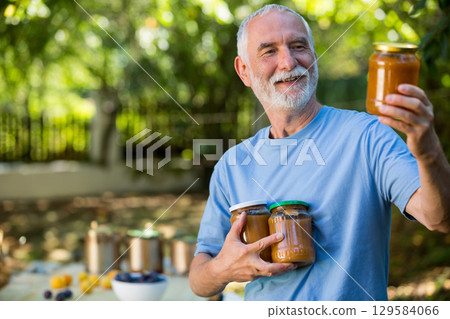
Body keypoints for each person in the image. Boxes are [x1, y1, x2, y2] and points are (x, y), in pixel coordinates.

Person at [188, 4, 450, 301]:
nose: (288, 62)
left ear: (314, 57)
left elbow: (439, 218)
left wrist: (427, 150)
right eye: (269, 51)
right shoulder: (232, 165)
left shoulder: (367, 137)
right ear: (244, 70)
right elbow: (199, 279)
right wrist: (223, 269)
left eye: (299, 46)